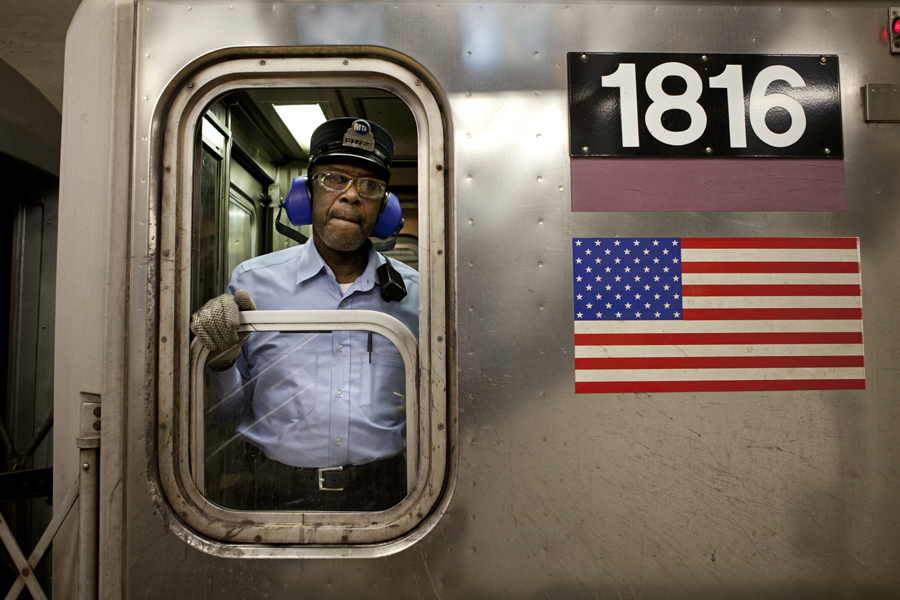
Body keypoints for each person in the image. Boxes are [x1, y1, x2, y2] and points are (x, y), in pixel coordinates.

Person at [190, 118, 418, 511]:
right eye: (333, 178)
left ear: (384, 208)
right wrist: (221, 363)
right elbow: (223, 414)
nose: (350, 195)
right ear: (305, 193)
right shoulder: (254, 283)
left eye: (369, 186)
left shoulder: (416, 294)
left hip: (389, 496)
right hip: (272, 491)